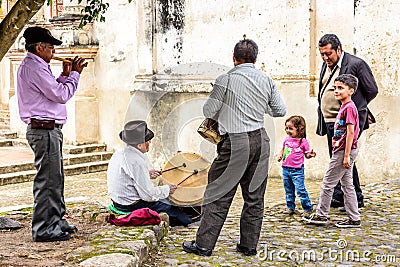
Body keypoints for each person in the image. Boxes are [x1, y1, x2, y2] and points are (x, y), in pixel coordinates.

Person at [182, 38, 286, 256]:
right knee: (254, 196)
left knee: (217, 193)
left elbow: (209, 111)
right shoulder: (266, 79)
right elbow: (279, 110)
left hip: (235, 142)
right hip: (260, 140)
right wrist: (257, 105)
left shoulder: (225, 79)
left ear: (234, 58)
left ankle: (204, 244)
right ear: (256, 59)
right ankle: (249, 245)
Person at [17, 26, 88, 242]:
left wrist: (64, 76)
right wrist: (75, 75)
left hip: (48, 129)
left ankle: (56, 221)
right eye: (50, 48)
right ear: (39, 48)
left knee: (55, 179)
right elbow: (60, 95)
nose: (53, 52)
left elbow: (49, 92)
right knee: (48, 180)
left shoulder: (38, 66)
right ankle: (44, 228)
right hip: (44, 130)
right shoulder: (35, 68)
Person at [316, 34, 378, 208]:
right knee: (336, 157)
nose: (325, 57)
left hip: (346, 121)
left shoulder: (356, 64)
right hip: (330, 120)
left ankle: (355, 197)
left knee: (344, 157)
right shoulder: (326, 64)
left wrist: (355, 107)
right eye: (322, 54)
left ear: (338, 49)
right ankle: (340, 195)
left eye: (328, 54)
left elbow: (371, 90)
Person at [107, 120, 194, 227]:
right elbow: (148, 195)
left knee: (162, 196)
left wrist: (147, 174)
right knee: (170, 207)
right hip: (129, 205)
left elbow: (129, 176)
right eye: (148, 140)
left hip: (117, 202)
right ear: (139, 145)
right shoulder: (136, 161)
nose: (150, 143)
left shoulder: (120, 153)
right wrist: (167, 189)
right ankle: (189, 222)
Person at [304, 74, 361, 228]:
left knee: (328, 182)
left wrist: (346, 155)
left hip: (343, 151)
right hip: (342, 149)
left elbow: (351, 132)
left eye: (340, 88)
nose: (336, 91)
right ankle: (354, 218)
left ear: (351, 91)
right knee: (347, 185)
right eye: (335, 88)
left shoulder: (349, 108)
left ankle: (321, 215)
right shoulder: (344, 106)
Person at [278, 115, 316, 216]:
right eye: (286, 128)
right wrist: (280, 155)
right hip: (285, 169)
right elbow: (283, 149)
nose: (287, 130)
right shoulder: (287, 140)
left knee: (300, 190)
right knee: (288, 189)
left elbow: (306, 155)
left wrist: (310, 155)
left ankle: (308, 208)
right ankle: (290, 207)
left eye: (290, 128)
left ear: (299, 129)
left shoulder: (303, 141)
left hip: (297, 170)